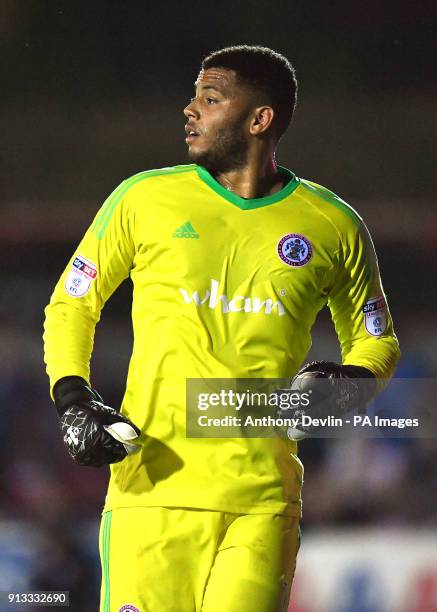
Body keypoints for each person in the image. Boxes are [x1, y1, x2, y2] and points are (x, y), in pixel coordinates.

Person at [43, 45, 400, 612]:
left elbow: (375, 338)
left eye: (209, 98)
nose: (190, 110)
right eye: (194, 96)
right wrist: (72, 398)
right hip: (151, 494)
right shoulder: (145, 198)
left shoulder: (332, 225)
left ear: (260, 119)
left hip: (262, 502)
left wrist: (351, 383)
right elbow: (72, 305)